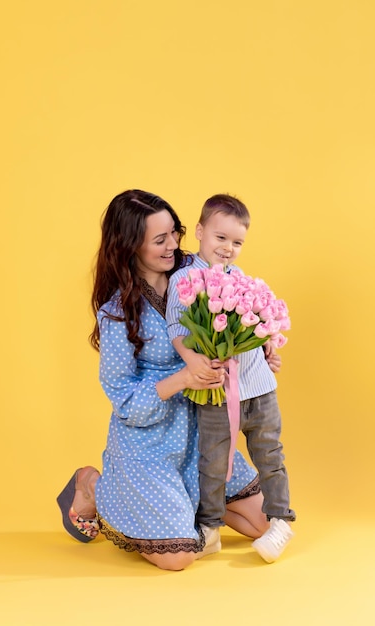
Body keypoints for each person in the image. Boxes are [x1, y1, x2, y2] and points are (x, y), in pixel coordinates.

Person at [57, 189, 269, 571]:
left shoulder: (197, 272)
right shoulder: (117, 312)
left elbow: (237, 314)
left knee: (263, 523)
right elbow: (123, 401)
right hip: (148, 445)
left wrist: (256, 350)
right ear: (129, 246)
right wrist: (184, 377)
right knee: (179, 558)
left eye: (175, 232)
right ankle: (92, 485)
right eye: (160, 240)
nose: (174, 244)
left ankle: (179, 511)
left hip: (203, 432)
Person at [166, 193, 295, 563]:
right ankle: (209, 529)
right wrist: (194, 362)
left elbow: (256, 326)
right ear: (201, 231)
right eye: (220, 238)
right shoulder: (184, 280)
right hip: (215, 392)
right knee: (213, 461)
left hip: (259, 390)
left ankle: (282, 520)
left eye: (237, 242)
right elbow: (177, 327)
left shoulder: (240, 279)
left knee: (270, 454)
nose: (228, 248)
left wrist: (268, 348)